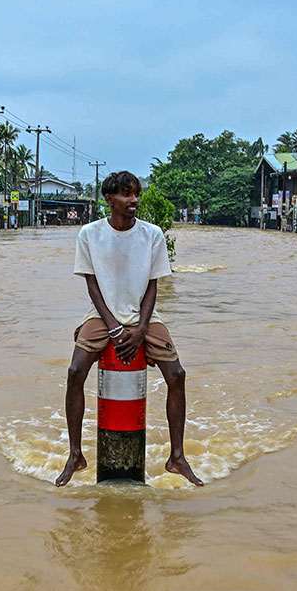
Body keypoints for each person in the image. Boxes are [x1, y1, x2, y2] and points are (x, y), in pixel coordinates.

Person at [55, 171, 202, 488]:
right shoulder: (90, 234)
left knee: (177, 374)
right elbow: (92, 285)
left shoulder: (152, 234)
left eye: (136, 194)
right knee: (75, 371)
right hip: (101, 313)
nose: (133, 200)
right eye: (126, 194)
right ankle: (75, 455)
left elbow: (152, 286)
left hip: (144, 315)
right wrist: (112, 327)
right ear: (109, 200)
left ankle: (177, 457)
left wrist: (141, 329)